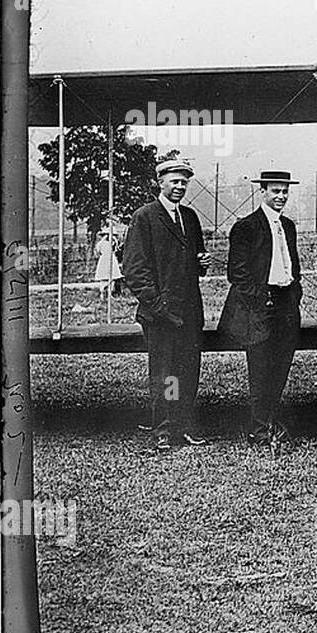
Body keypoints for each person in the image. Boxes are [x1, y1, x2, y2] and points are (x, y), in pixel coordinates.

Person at [121, 158, 209, 452]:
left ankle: (184, 425)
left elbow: (194, 260)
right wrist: (157, 305)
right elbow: (134, 269)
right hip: (160, 315)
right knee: (166, 373)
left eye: (184, 182)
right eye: (174, 181)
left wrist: (202, 263)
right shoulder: (144, 217)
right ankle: (163, 429)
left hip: (189, 312)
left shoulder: (190, 217)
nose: (180, 187)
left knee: (188, 369)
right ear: (160, 182)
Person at [220, 170, 303, 446]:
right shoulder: (246, 227)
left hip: (286, 306)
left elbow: (293, 266)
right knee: (261, 369)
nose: (280, 196)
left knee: (280, 367)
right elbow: (237, 273)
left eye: (284, 191)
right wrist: (261, 297)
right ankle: (259, 430)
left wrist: (293, 293)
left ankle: (271, 420)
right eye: (275, 191)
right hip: (259, 308)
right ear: (262, 192)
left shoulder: (288, 226)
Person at [93, 223, 124, 294]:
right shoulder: (101, 243)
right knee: (104, 277)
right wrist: (105, 238)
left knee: (112, 277)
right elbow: (98, 250)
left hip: (111, 259)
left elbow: (116, 246)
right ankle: (102, 292)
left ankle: (110, 293)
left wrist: (113, 238)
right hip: (104, 259)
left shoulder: (112, 243)